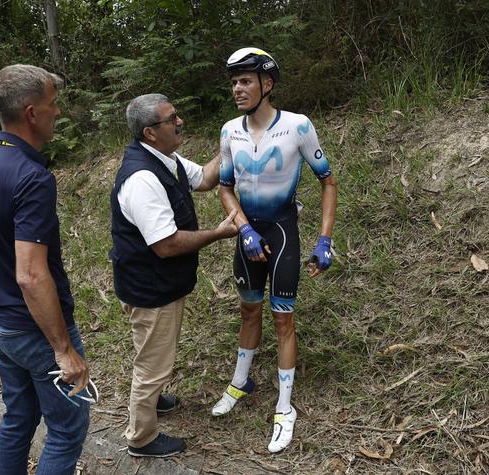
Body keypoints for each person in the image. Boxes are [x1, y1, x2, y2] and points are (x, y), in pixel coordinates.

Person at [0, 64, 89, 475]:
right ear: (31, 113)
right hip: (34, 333)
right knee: (67, 429)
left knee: (19, 417)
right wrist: (63, 350)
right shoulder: (33, 177)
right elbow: (30, 274)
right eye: (52, 104)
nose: (58, 113)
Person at [212, 48, 337, 453]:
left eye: (245, 80)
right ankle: (241, 380)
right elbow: (225, 187)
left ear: (267, 84)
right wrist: (243, 229)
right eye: (234, 82)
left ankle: (285, 408)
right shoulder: (229, 130)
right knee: (248, 309)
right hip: (248, 235)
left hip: (283, 232)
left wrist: (324, 240)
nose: (237, 88)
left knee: (284, 320)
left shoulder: (298, 127)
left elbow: (328, 182)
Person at [110, 93, 238, 458]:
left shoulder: (167, 160)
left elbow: (206, 179)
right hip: (150, 287)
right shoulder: (142, 179)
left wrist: (230, 140)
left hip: (153, 281)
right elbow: (165, 244)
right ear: (151, 132)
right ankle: (141, 438)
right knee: (152, 364)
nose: (180, 122)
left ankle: (153, 402)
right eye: (172, 119)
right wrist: (217, 233)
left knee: (150, 352)